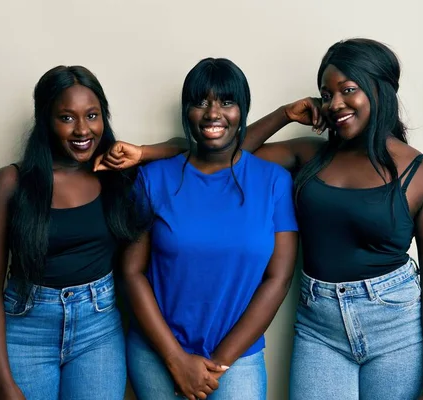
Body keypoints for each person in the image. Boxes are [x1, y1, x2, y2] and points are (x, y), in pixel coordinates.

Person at [240, 38, 423, 400]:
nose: (335, 103)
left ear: (380, 89)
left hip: (397, 331)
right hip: (318, 329)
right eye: (326, 94)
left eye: (348, 90)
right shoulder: (309, 154)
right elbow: (227, 159)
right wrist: (285, 114)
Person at [0, 65, 183, 400]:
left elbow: (186, 148)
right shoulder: (9, 185)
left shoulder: (117, 177)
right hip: (27, 328)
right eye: (67, 118)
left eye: (93, 115)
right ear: (45, 121)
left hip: (97, 329)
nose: (82, 129)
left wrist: (142, 153)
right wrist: (2, 382)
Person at [120, 58, 299, 400]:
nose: (213, 113)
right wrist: (176, 360)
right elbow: (131, 273)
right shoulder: (153, 177)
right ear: (187, 111)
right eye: (201, 103)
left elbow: (279, 278)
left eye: (226, 102)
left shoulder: (274, 181)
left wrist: (220, 362)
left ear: (243, 111)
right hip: (157, 353)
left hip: (237, 358)